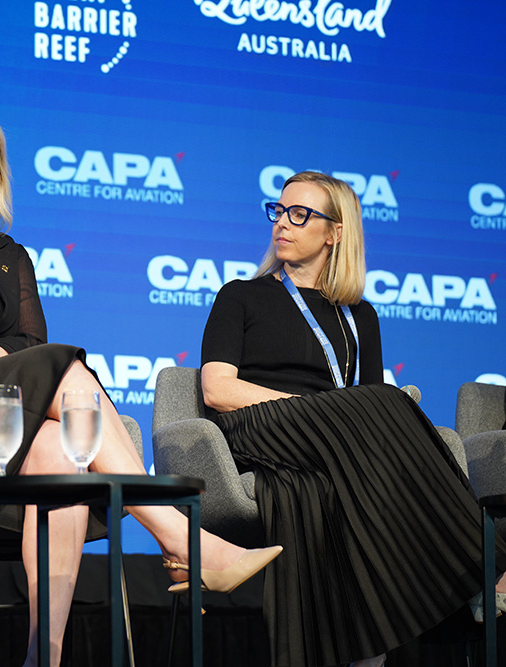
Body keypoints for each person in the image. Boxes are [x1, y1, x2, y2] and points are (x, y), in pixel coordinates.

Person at [0, 110, 281, 666]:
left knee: (63, 454)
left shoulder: (8, 257)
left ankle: (46, 656)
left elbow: (29, 346)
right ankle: (181, 538)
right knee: (67, 371)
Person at [200, 170, 506, 667]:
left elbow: (364, 403)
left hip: (332, 443)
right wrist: (306, 407)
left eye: (300, 214)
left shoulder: (360, 315)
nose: (283, 222)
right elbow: (217, 389)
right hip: (257, 427)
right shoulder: (240, 295)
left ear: (335, 232)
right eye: (279, 210)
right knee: (387, 402)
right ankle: (484, 566)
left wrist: (348, 413)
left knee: (382, 423)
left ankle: (375, 641)